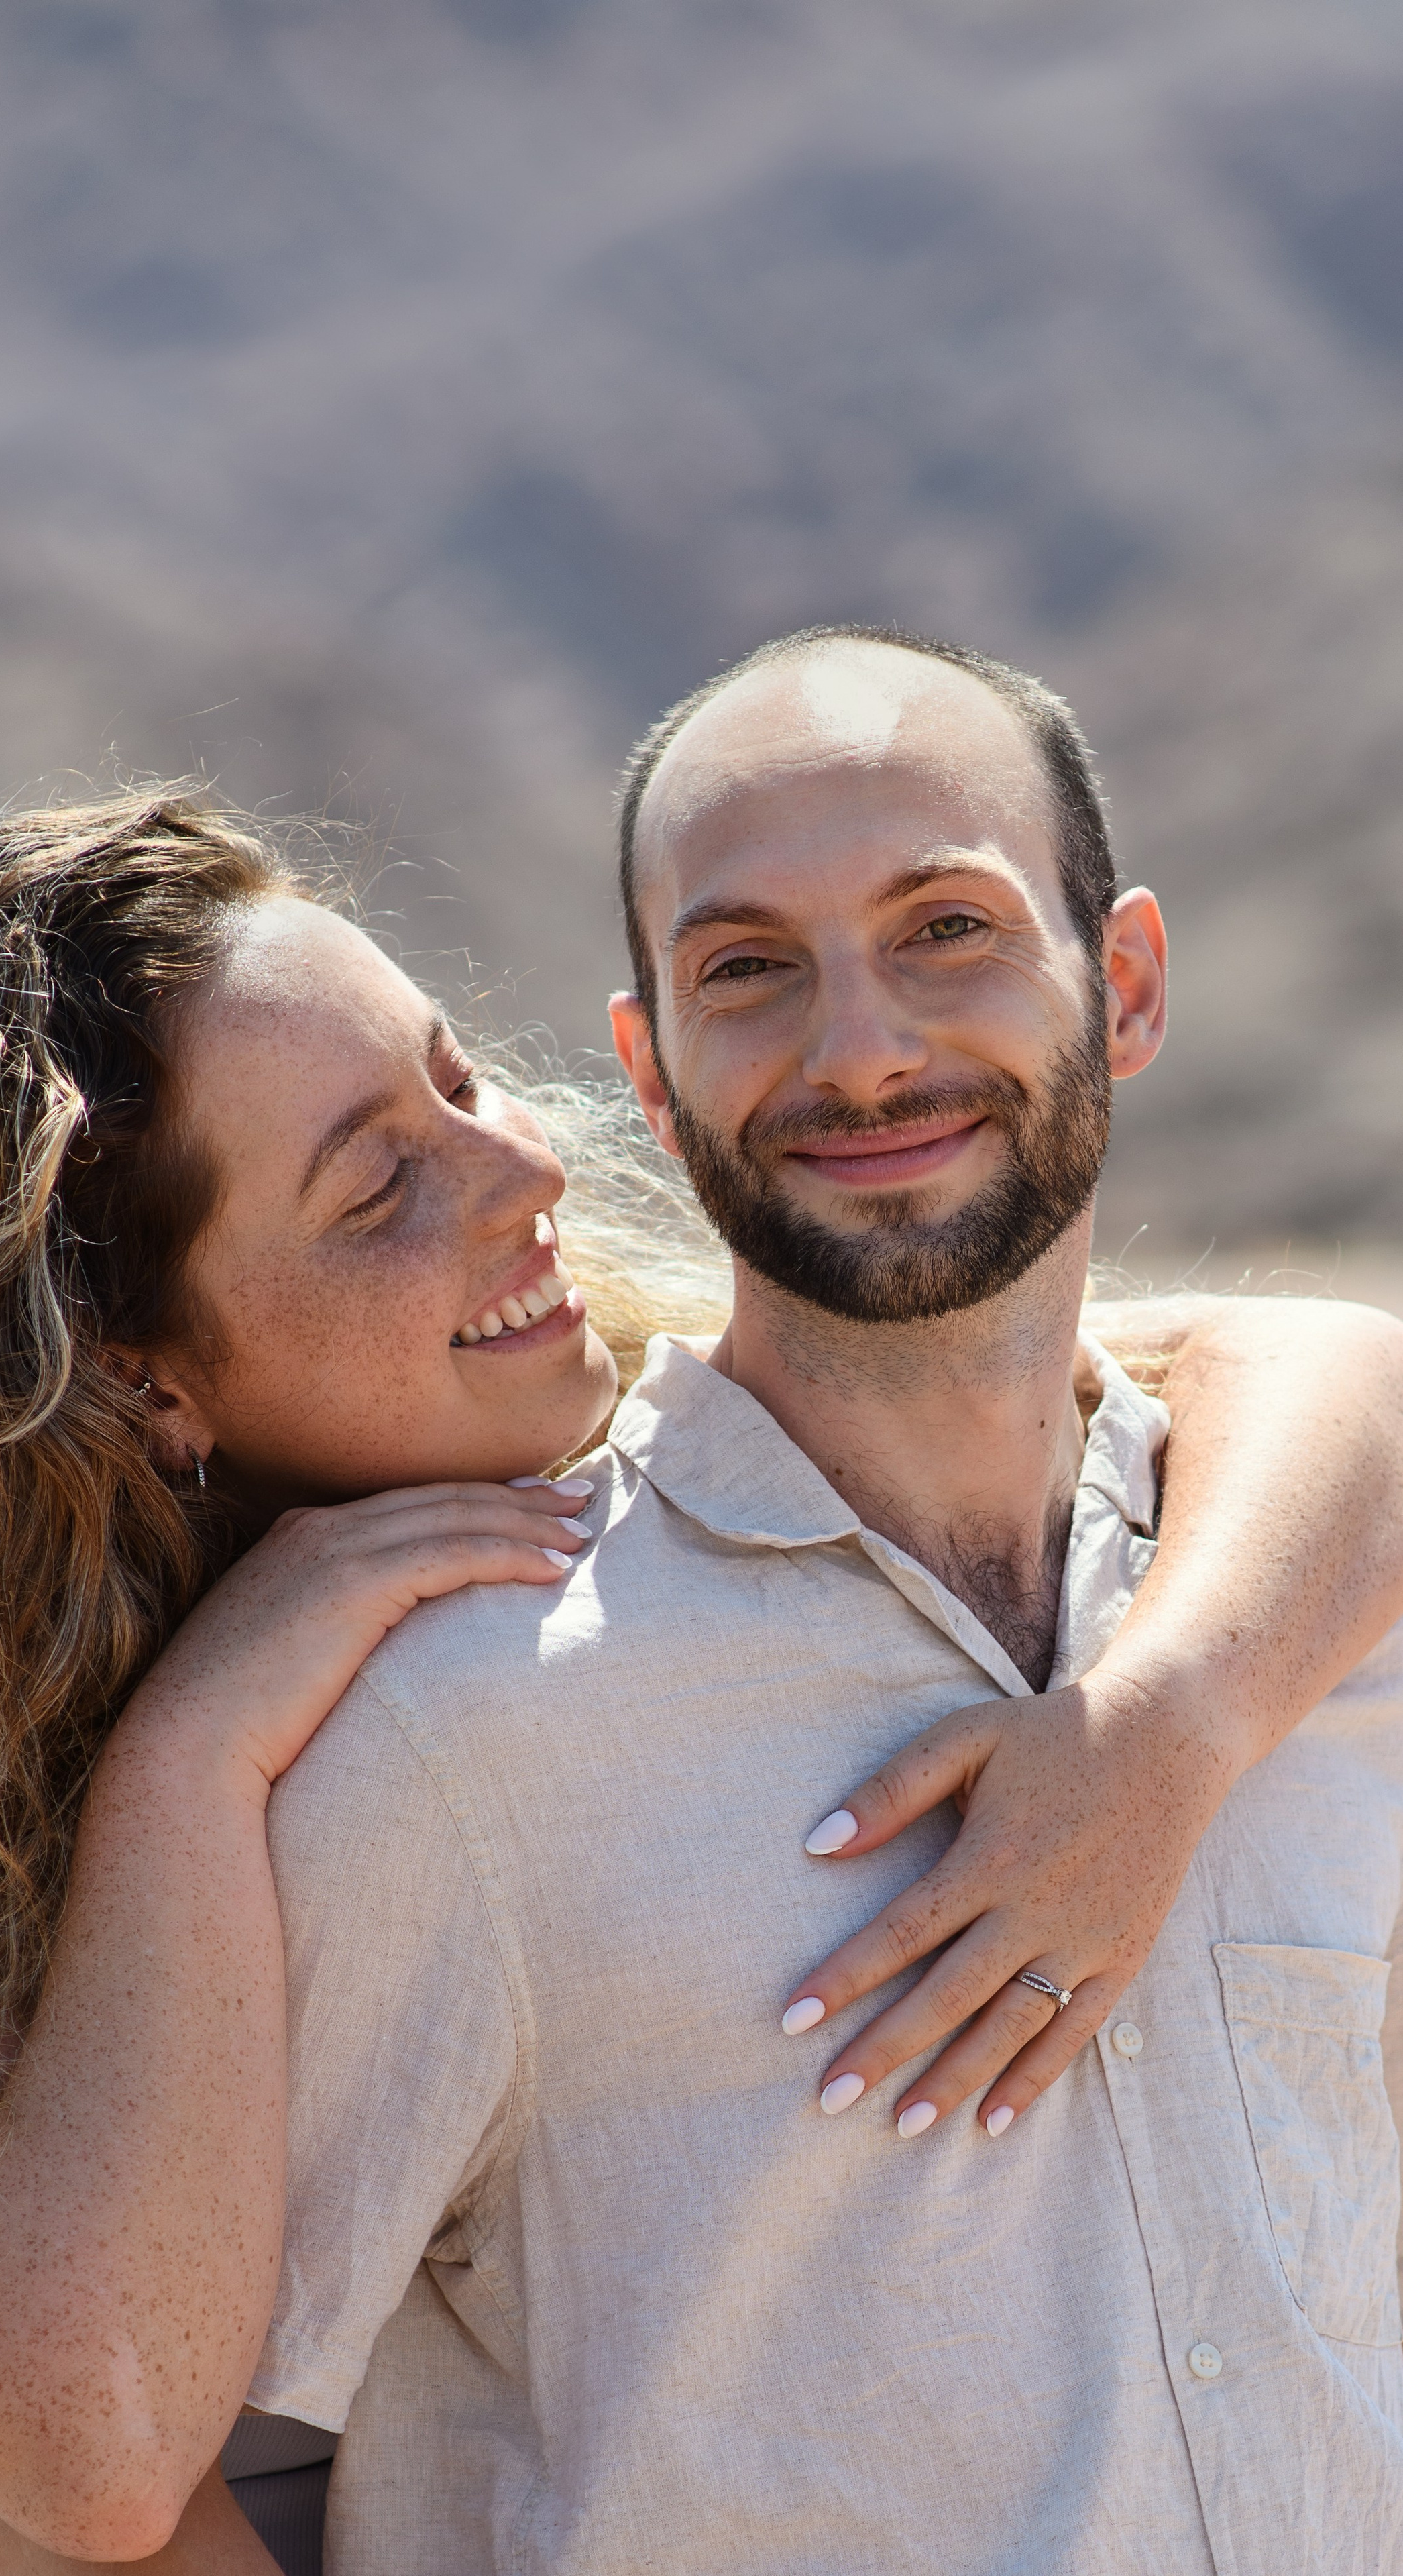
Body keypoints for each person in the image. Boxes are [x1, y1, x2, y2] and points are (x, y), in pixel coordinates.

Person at [0, 769, 1399, 2576]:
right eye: (378, 1187)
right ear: (138, 1377)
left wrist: (1150, 1739)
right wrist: (193, 1750)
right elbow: (83, 2480)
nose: (524, 1165)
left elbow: (1297, 1370)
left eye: (451, 1075)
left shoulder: (577, 1442)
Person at [207, 629, 1403, 2576]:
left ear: (1126, 984)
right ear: (651, 1076)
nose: (858, 1049)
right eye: (748, 968)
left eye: (947, 929)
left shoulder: (1325, 1617)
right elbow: (141, 2482)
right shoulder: (461, 1727)